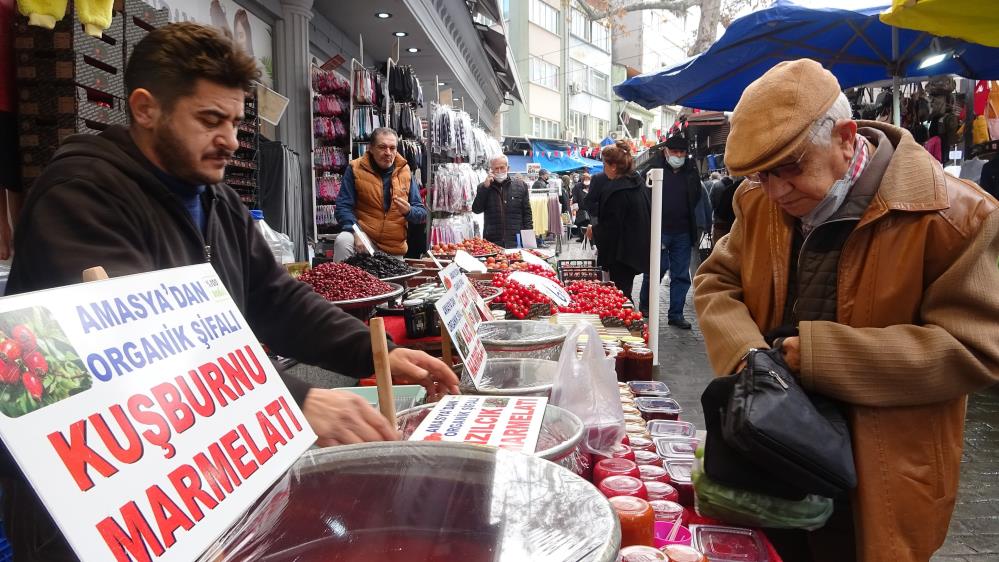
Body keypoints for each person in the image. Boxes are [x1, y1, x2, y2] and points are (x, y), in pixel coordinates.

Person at [3, 23, 460, 560]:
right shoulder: (82, 196)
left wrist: (372, 348)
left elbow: (277, 299)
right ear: (146, 108)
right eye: (210, 120)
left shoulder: (217, 200)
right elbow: (139, 358)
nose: (232, 140)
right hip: (95, 505)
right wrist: (295, 402)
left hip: (187, 479)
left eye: (237, 122)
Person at [693, 59, 999, 562]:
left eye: (790, 167)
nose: (776, 190)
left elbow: (973, 347)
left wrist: (814, 355)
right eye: (760, 174)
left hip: (884, 473)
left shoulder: (958, 217)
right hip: (767, 451)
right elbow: (716, 280)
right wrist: (748, 357)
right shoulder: (759, 201)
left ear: (845, 136)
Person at [638, 132, 703, 328]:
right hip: (659, 229)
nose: (678, 156)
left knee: (681, 275)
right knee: (654, 270)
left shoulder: (690, 171)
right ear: (666, 151)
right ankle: (646, 307)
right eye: (674, 151)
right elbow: (644, 199)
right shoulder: (652, 170)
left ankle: (676, 314)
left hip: (683, 231)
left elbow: (697, 196)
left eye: (682, 152)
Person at [333, 127, 428, 261]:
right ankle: (340, 281)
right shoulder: (355, 169)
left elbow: (421, 212)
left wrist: (409, 211)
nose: (388, 152)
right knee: (343, 240)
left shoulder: (405, 171)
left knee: (394, 281)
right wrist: (357, 232)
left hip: (393, 246)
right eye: (382, 147)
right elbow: (343, 207)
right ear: (370, 148)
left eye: (392, 148)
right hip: (365, 240)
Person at [589, 141, 651, 298]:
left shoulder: (617, 190)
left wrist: (594, 231)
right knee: (624, 290)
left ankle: (628, 320)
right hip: (634, 249)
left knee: (621, 294)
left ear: (614, 166)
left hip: (621, 254)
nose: (603, 168)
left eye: (604, 164)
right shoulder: (637, 183)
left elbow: (612, 226)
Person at [471, 154, 533, 248]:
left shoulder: (520, 186)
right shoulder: (484, 187)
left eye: (502, 168)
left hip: (516, 241)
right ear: (491, 170)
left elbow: (527, 214)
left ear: (508, 168)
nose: (499, 171)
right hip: (492, 242)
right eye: (496, 168)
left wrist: (529, 241)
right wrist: (485, 188)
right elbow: (476, 209)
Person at [571, 172, 592, 241]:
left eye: (587, 179)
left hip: (590, 208)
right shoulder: (577, 186)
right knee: (581, 222)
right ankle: (582, 237)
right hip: (580, 208)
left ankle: (590, 237)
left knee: (589, 223)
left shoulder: (591, 185)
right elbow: (575, 196)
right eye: (585, 179)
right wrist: (575, 204)